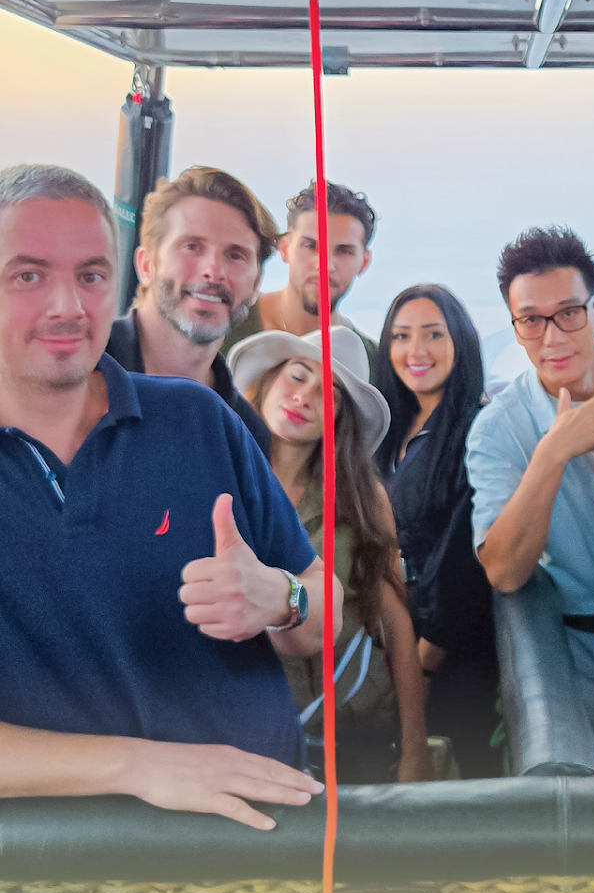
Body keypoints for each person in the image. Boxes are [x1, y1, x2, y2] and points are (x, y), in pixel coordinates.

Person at [0, 164, 339, 829]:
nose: (68, 306)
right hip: (64, 863)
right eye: (28, 276)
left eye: (90, 276)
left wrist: (280, 597)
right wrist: (140, 766)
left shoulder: (200, 418)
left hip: (268, 833)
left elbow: (322, 602)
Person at [465, 226, 594, 766]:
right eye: (531, 320)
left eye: (569, 313)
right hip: (582, 658)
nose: (552, 337)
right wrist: (552, 453)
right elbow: (504, 571)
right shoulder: (497, 430)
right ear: (515, 328)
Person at [230, 326, 429, 783]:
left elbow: (396, 623)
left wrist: (415, 751)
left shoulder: (363, 499)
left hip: (358, 736)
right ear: (267, 382)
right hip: (246, 740)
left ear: (340, 418)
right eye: (298, 376)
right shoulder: (215, 479)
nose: (305, 397)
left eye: (329, 394)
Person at [375, 284, 501, 779]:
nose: (416, 350)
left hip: (448, 661)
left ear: (461, 342)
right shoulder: (386, 431)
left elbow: (461, 561)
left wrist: (424, 661)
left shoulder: (478, 430)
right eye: (401, 336)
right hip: (391, 647)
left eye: (433, 334)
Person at [105, 166, 278, 456]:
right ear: (146, 266)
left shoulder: (247, 437)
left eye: (235, 255)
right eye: (192, 246)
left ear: (256, 286)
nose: (214, 270)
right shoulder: (80, 368)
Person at [224, 180, 378, 369]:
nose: (325, 265)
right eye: (310, 246)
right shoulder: (225, 326)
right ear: (284, 248)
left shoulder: (373, 362)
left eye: (344, 251)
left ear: (364, 262)